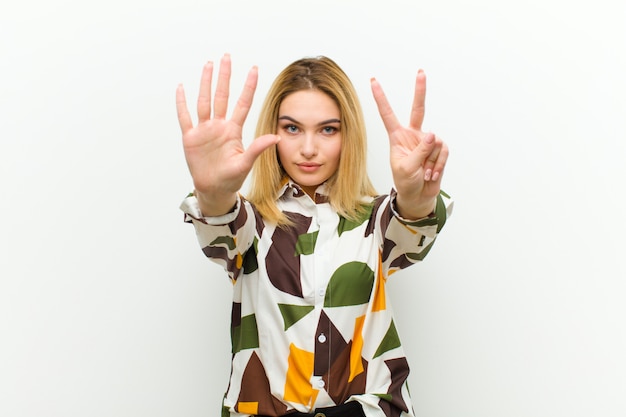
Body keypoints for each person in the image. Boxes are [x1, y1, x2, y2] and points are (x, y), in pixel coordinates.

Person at [176, 54, 453, 417]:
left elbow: (413, 224)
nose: (308, 148)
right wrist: (212, 195)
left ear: (347, 133)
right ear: (272, 133)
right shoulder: (251, 224)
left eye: (328, 129)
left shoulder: (376, 220)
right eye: (292, 128)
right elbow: (221, 226)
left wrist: (417, 198)